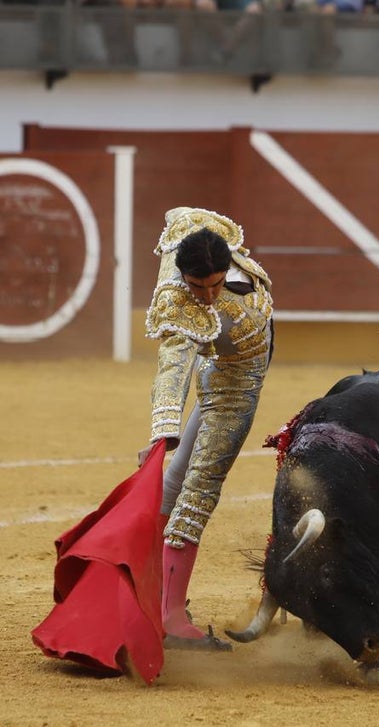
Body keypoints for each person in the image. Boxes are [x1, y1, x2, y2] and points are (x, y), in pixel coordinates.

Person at [138, 207, 274, 652]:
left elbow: (182, 213)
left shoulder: (194, 234)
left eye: (215, 284)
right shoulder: (181, 304)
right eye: (198, 286)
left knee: (184, 481)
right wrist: (163, 431)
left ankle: (158, 598)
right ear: (184, 277)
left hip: (236, 373)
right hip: (229, 376)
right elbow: (174, 363)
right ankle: (170, 615)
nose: (209, 295)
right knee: (192, 486)